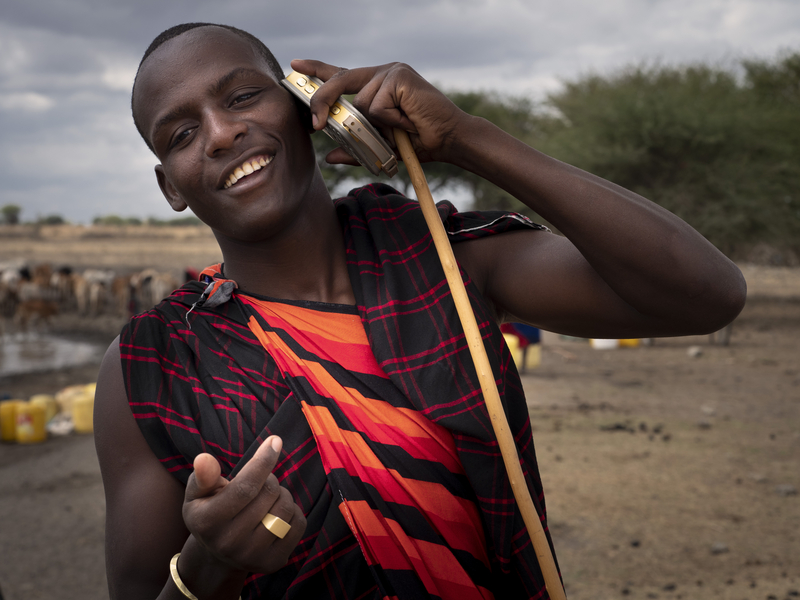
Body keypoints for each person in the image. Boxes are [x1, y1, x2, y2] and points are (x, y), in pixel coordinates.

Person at [94, 22, 746, 600]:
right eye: (181, 133)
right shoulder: (152, 365)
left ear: (305, 106)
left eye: (241, 97)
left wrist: (464, 138)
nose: (221, 132)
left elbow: (705, 293)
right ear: (169, 184)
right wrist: (210, 568)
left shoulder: (438, 255)